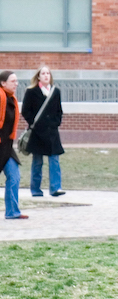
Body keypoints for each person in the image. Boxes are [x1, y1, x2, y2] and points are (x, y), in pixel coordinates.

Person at [21, 64, 65, 198]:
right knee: (37, 161)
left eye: (48, 73)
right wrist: (34, 123)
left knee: (54, 160)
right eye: (43, 73)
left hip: (52, 132)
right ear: (38, 77)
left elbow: (59, 110)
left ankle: (55, 188)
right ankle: (36, 190)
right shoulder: (31, 91)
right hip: (37, 133)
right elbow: (25, 111)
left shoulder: (55, 91)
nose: (46, 75)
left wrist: (56, 123)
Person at [0, 70, 28, 219]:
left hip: (6, 146)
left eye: (17, 81)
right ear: (3, 83)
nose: (16, 84)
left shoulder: (12, 99)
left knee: (14, 175)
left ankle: (12, 212)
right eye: (13, 81)